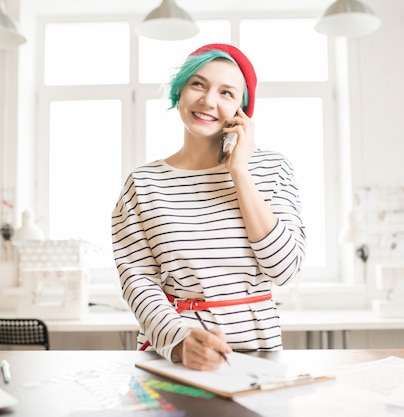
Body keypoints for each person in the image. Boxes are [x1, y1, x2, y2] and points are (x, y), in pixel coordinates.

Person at [111, 43, 305, 371]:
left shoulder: (273, 169)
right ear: (180, 91)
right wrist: (180, 341)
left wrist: (240, 172)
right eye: (198, 84)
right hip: (174, 356)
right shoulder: (142, 184)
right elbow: (138, 280)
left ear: (242, 111)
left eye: (227, 93)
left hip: (256, 355)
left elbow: (284, 270)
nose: (208, 100)